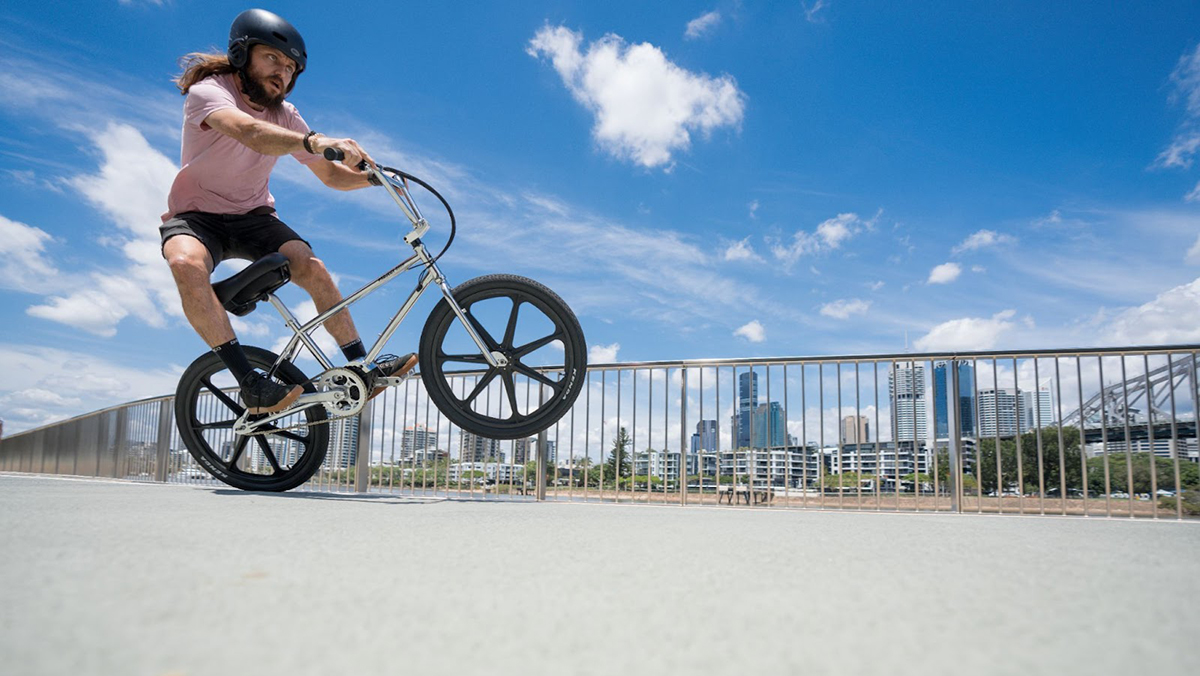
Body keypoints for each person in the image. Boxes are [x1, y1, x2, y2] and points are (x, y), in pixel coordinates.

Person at [161, 9, 415, 414]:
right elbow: (250, 132)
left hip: (253, 215)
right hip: (196, 217)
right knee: (185, 263)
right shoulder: (210, 92)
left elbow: (331, 177)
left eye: (291, 67)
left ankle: (360, 369)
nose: (283, 72)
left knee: (312, 267)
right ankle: (251, 385)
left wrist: (373, 179)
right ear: (242, 56)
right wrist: (314, 141)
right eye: (273, 59)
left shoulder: (287, 114)